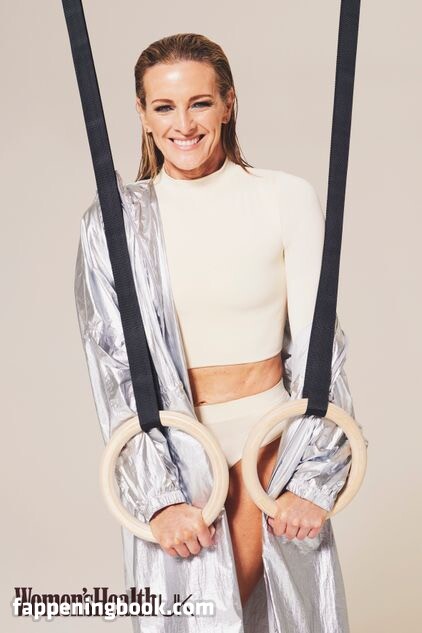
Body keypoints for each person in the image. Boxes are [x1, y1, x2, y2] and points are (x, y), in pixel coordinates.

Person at [133, 33, 329, 606]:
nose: (183, 124)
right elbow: (114, 370)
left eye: (200, 102)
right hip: (173, 452)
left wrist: (314, 474)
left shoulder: (285, 197)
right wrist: (157, 496)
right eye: (164, 107)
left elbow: (323, 352)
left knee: (258, 612)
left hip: (268, 441)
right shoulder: (120, 222)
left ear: (228, 103)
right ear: (143, 116)